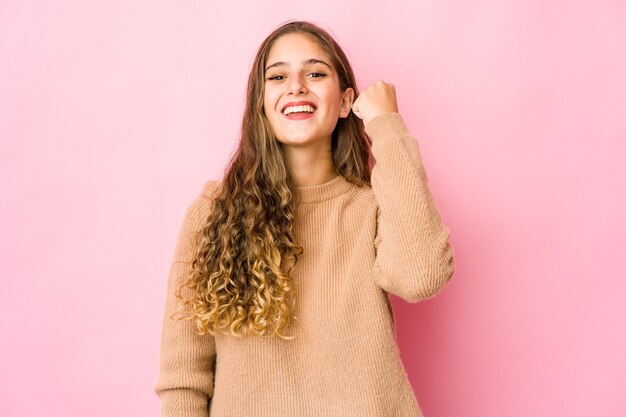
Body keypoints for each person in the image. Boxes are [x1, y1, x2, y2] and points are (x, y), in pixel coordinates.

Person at [154, 19, 455, 417]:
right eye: (277, 77)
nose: (296, 86)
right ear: (261, 102)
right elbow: (183, 380)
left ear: (347, 101)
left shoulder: (372, 208)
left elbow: (421, 276)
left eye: (315, 73)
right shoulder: (214, 212)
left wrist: (386, 125)